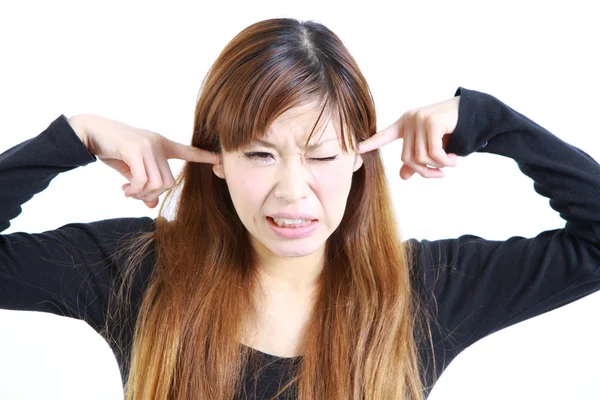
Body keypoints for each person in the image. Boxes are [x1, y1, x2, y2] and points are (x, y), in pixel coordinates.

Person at [1, 17, 599, 400]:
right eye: (260, 154)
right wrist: (73, 138)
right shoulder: (136, 269)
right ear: (216, 159)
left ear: (360, 160)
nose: (292, 191)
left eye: (321, 156)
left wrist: (489, 122)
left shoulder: (424, 289)